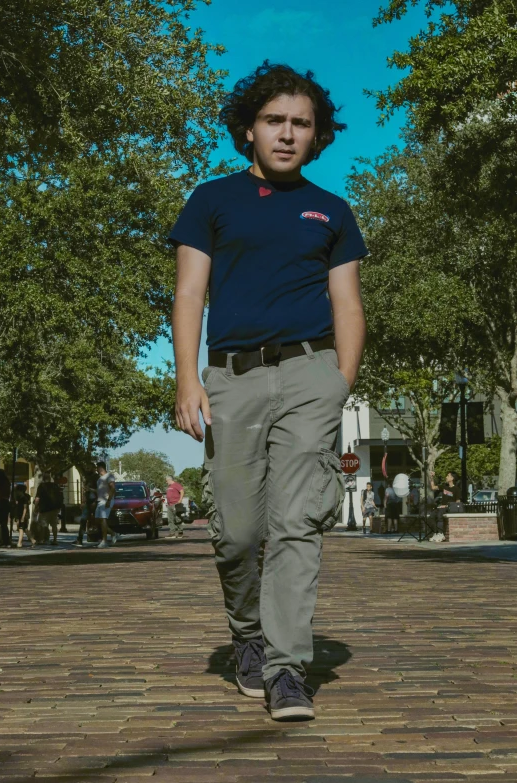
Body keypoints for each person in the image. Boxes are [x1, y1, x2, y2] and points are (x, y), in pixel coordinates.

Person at [170, 62, 367, 721]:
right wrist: (187, 378)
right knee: (237, 530)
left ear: (318, 135)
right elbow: (190, 293)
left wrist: (339, 382)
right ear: (249, 129)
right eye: (275, 121)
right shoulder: (212, 200)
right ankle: (247, 632)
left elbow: (348, 304)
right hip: (232, 376)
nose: (288, 134)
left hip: (311, 374)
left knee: (295, 523)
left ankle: (287, 668)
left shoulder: (332, 211)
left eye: (301, 124)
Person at [34, 473, 63, 545]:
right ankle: (55, 540)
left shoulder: (41, 486)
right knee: (54, 525)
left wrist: (35, 507)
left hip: (44, 508)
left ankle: (42, 540)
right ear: (50, 479)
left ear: (43, 479)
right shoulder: (55, 485)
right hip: (54, 508)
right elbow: (60, 496)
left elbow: (37, 498)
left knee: (43, 525)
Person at [95, 461, 119, 548]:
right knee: (97, 520)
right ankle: (113, 533)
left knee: (103, 519)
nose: (96, 470)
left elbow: (112, 488)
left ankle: (104, 541)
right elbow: (99, 491)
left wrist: (109, 500)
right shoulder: (99, 479)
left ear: (100, 467)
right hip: (100, 501)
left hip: (106, 500)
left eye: (97, 468)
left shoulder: (109, 476)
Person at [74, 467, 98, 546]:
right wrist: (83, 502)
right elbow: (85, 492)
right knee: (83, 520)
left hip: (93, 501)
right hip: (88, 502)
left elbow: (98, 491)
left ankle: (99, 537)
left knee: (95, 520)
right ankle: (80, 539)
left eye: (89, 467)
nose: (88, 469)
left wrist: (90, 491)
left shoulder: (96, 478)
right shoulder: (87, 478)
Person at [14, 484, 35, 548]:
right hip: (21, 514)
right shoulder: (23, 497)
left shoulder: (23, 498)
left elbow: (25, 507)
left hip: (23, 514)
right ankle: (33, 540)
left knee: (21, 528)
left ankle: (19, 543)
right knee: (24, 528)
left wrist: (23, 516)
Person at [0, 468, 12, 547]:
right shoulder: (6, 482)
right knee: (3, 523)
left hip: (3, 502)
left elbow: (0, 493)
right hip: (5, 503)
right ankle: (5, 540)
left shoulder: (2, 483)